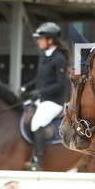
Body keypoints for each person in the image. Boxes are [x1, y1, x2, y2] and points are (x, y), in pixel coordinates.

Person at [21, 22, 70, 171]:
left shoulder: (59, 58)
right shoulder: (43, 56)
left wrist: (41, 92)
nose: (38, 41)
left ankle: (38, 161)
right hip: (41, 100)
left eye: (41, 38)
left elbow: (59, 85)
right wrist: (26, 87)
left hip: (53, 102)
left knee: (37, 122)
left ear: (50, 39)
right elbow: (40, 79)